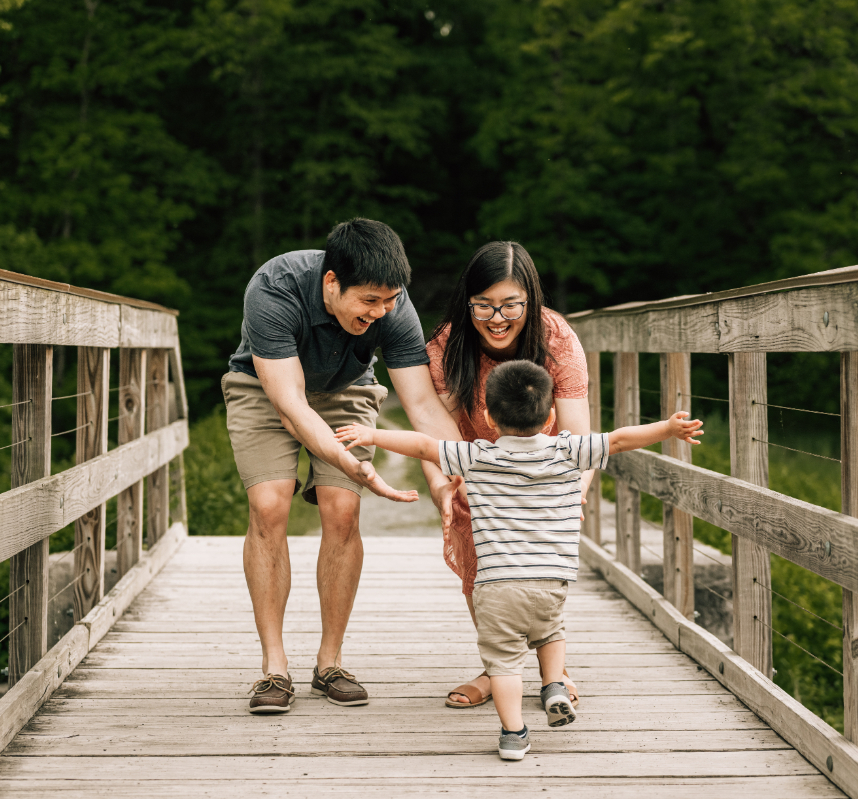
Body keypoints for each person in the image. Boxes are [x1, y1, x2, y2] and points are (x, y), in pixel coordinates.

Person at [335, 360, 704, 759]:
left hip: (496, 583)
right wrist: (667, 429)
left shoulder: (475, 456)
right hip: (552, 578)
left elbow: (423, 446)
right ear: (549, 417)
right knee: (550, 631)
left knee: (504, 664)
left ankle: (514, 734)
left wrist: (371, 432)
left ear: (490, 419)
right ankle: (553, 685)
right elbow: (617, 440)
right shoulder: (569, 449)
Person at [223, 218, 463, 714]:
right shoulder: (275, 286)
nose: (381, 312)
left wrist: (459, 475)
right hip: (266, 387)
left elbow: (421, 405)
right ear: (331, 283)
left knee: (341, 510)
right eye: (369, 301)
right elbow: (289, 402)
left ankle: (329, 662)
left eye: (390, 300)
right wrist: (360, 468)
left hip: (346, 388)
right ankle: (274, 668)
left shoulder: (394, 308)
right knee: (268, 506)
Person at [421, 241, 593, 709]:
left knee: (540, 574)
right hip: (477, 470)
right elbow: (431, 432)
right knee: (484, 574)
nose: (497, 318)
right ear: (467, 301)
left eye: (510, 305)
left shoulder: (556, 338)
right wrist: (443, 485)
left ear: (530, 302)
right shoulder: (446, 343)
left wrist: (573, 496)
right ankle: (498, 668)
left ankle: (552, 675)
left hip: (545, 470)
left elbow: (581, 436)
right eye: (483, 305)